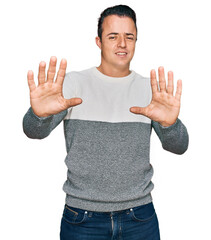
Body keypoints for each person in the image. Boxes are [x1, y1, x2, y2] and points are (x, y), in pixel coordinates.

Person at [23, 5, 189, 240]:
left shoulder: (150, 89)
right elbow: (32, 131)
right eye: (113, 36)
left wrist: (170, 125)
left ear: (136, 41)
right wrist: (38, 115)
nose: (122, 43)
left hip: (139, 218)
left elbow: (179, 146)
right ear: (99, 41)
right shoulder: (72, 84)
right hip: (82, 218)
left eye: (129, 37)